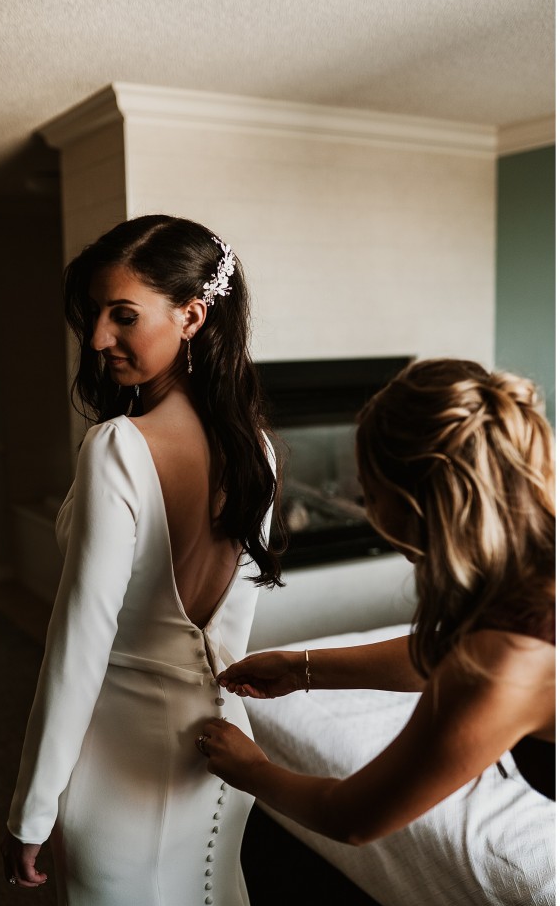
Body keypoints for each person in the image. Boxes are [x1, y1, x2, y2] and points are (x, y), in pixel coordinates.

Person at [0, 215, 282, 906]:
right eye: (93, 314)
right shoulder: (255, 447)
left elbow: (77, 646)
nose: (96, 337)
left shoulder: (120, 447)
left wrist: (33, 809)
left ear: (193, 314)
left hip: (120, 760)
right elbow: (231, 628)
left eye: (123, 314)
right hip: (221, 750)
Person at [197, 358, 555, 845]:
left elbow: (353, 817)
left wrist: (252, 769)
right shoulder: (530, 561)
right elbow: (441, 654)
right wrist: (301, 667)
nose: (364, 506)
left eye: (368, 493)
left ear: (414, 506)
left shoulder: (507, 662)